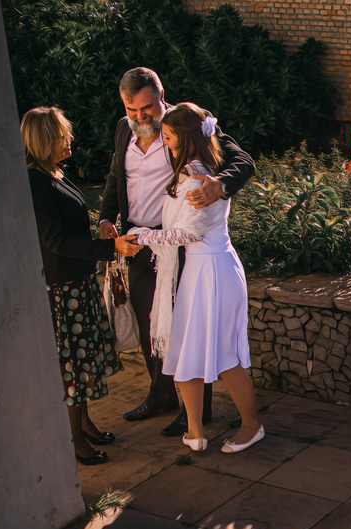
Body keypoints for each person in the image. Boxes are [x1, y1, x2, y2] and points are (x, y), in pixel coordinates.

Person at [98, 67, 257, 437]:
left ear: (160, 96)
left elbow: (243, 162)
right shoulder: (125, 129)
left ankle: (192, 414)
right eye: (131, 109)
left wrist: (219, 186)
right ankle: (161, 394)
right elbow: (113, 178)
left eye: (147, 108)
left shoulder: (188, 124)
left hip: (181, 245)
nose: (140, 116)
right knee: (150, 324)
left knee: (185, 328)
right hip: (138, 244)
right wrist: (107, 218)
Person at [130, 103, 263, 455]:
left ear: (187, 139)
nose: (166, 144)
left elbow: (184, 234)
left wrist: (141, 236)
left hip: (215, 272)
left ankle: (252, 426)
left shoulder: (201, 181)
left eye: (170, 138)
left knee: (224, 354)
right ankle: (194, 430)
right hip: (196, 272)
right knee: (184, 350)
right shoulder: (186, 173)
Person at [23, 107, 138, 465]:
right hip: (63, 291)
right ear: (44, 140)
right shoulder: (35, 182)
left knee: (82, 363)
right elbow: (56, 241)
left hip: (77, 283)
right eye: (62, 135)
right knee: (72, 368)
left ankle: (84, 423)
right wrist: (109, 248)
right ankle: (74, 440)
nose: (69, 139)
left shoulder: (54, 173)